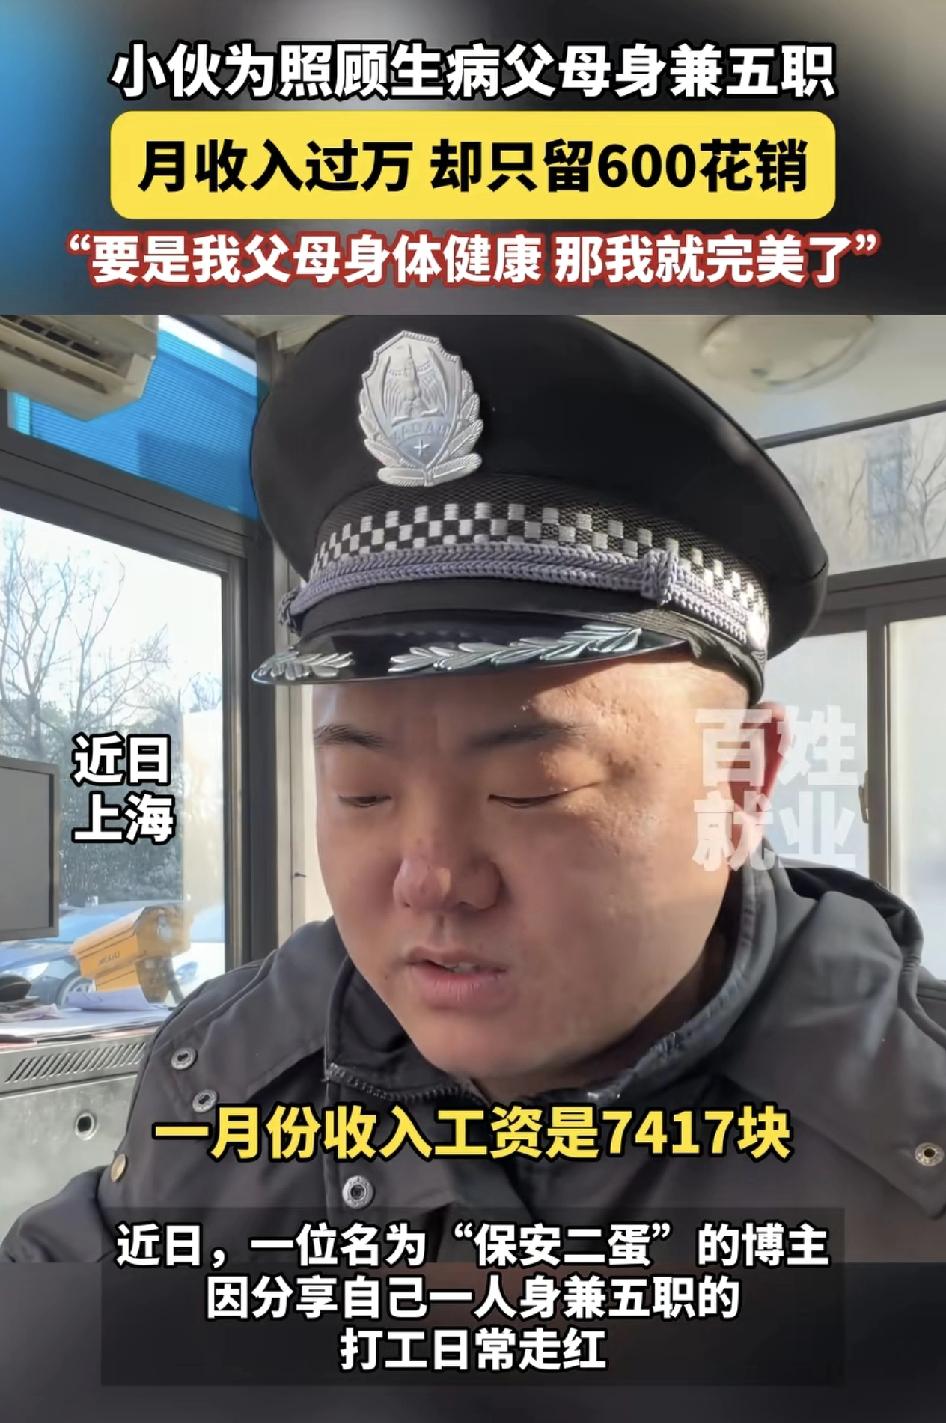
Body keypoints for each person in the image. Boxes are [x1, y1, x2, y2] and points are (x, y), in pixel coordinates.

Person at [3, 315, 946, 1266]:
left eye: (529, 789)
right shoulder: (229, 1069)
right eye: (363, 791)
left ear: (742, 782)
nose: (431, 879)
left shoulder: (913, 1142)